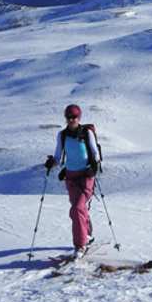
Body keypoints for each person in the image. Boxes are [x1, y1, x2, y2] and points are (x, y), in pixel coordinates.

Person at [44, 103, 100, 254]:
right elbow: (57, 156)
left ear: (79, 117)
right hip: (71, 177)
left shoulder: (86, 133)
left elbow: (95, 153)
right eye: (68, 117)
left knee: (77, 208)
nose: (71, 120)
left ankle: (80, 245)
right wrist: (52, 162)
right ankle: (87, 234)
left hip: (86, 176)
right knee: (77, 210)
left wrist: (94, 166)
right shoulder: (62, 135)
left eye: (74, 117)